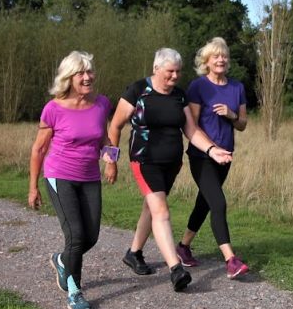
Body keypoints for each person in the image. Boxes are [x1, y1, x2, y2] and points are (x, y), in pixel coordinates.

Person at [105, 48, 232, 292]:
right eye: (170, 72)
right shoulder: (138, 91)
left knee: (151, 207)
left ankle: (133, 253)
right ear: (156, 69)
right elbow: (115, 126)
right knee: (161, 211)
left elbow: (192, 130)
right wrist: (111, 161)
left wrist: (212, 150)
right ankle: (176, 268)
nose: (174, 76)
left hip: (172, 163)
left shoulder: (179, 96)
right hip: (145, 161)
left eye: (178, 72)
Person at [28, 51, 115, 309]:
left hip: (90, 177)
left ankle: (61, 259)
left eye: (90, 71)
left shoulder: (101, 104)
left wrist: (111, 161)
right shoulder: (53, 108)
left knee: (91, 236)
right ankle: (75, 291)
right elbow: (39, 149)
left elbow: (104, 139)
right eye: (81, 73)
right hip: (59, 175)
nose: (87, 77)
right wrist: (33, 187)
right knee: (76, 236)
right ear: (69, 78)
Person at [174, 37, 249, 279]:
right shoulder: (198, 86)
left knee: (204, 202)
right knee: (218, 203)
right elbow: (192, 125)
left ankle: (183, 247)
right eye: (216, 56)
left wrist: (231, 114)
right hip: (202, 156)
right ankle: (231, 260)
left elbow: (243, 124)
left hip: (226, 157)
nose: (221, 59)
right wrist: (211, 148)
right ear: (206, 61)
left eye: (224, 56)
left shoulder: (237, 88)